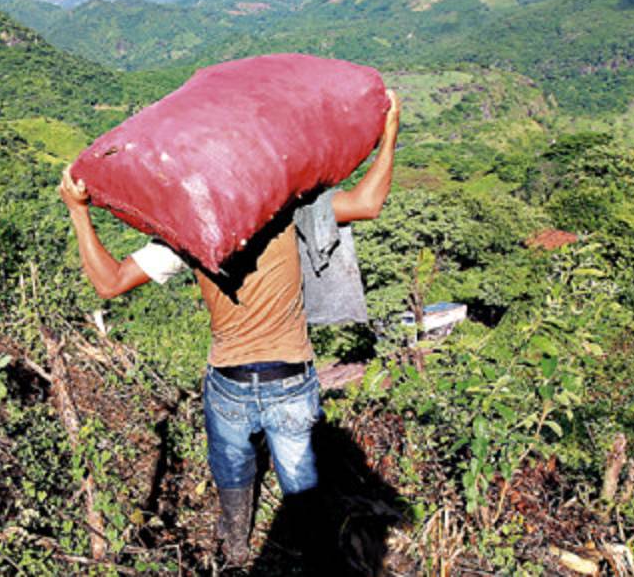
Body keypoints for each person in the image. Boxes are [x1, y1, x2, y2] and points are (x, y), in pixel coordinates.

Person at [57, 91, 400, 565]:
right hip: (290, 377)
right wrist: (389, 132)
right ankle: (314, 559)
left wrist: (78, 211)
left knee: (233, 473)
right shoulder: (288, 213)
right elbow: (368, 203)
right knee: (302, 488)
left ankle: (235, 548)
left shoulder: (191, 232)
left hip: (229, 382)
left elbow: (109, 282)